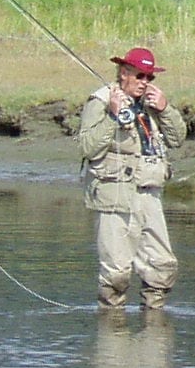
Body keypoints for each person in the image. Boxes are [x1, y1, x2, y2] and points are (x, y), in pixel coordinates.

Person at [78, 46, 187, 310]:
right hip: (114, 195)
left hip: (149, 194)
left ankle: (154, 327)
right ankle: (112, 333)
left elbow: (177, 139)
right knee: (116, 274)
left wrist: (165, 109)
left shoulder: (152, 105)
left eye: (150, 78)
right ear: (124, 73)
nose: (145, 83)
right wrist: (113, 117)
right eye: (140, 76)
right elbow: (87, 148)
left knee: (161, 268)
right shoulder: (101, 102)